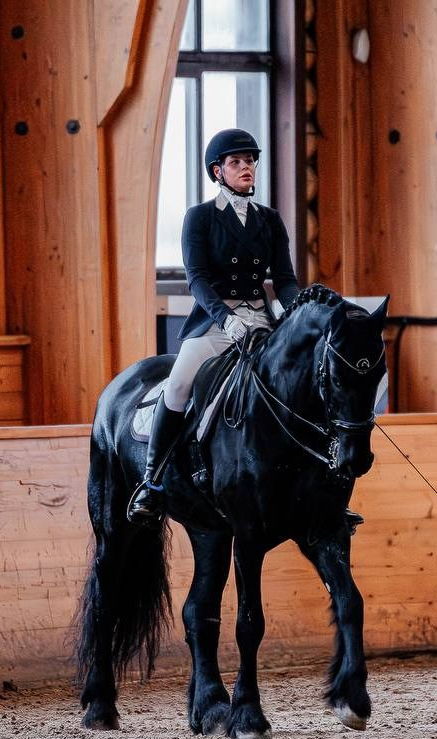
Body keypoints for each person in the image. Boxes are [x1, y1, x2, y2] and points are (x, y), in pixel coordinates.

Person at [127, 128, 300, 525]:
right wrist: (226, 317)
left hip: (261, 321)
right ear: (218, 172)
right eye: (237, 162)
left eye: (251, 161)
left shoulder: (269, 220)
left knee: (300, 383)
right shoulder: (200, 218)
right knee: (180, 384)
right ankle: (152, 482)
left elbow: (286, 280)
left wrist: (293, 311)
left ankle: (315, 481)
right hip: (215, 323)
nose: (247, 168)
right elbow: (198, 279)